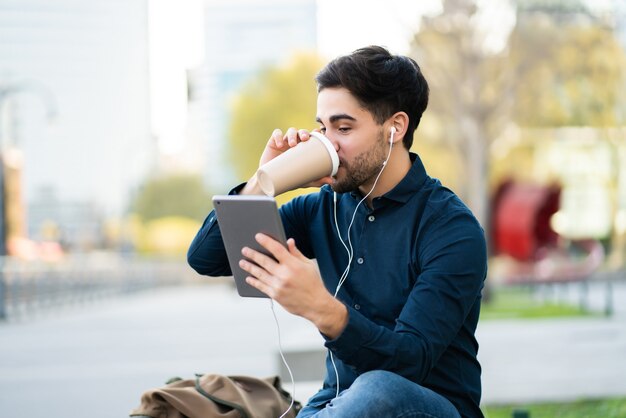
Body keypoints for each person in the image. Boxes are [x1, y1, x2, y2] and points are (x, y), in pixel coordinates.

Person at [188, 45, 487, 418]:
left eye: (343, 128)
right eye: (322, 127)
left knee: (379, 389)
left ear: (395, 127)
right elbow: (206, 258)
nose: (328, 142)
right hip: (337, 402)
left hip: (425, 406)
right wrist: (260, 185)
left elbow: (411, 361)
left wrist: (322, 309)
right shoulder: (322, 207)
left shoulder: (451, 228)